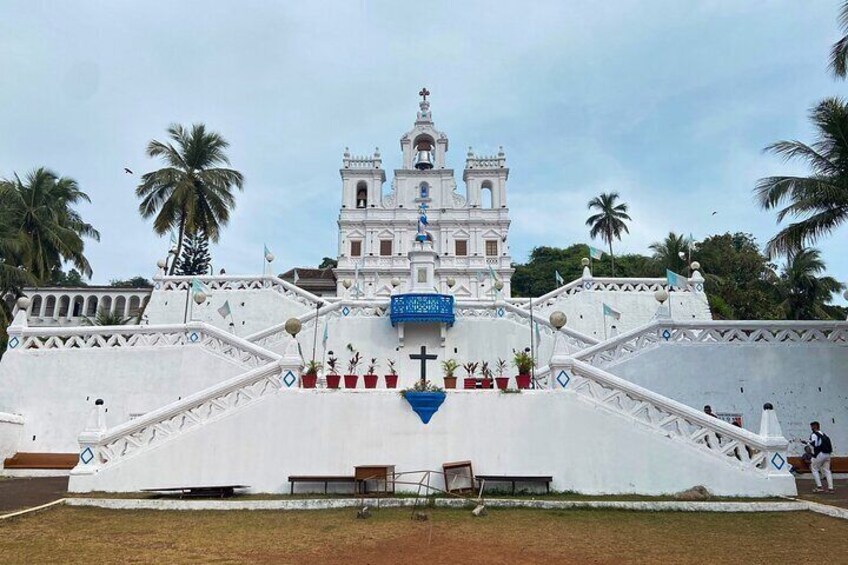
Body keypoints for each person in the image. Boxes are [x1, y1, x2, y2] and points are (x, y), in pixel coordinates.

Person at [803, 421, 834, 493]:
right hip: (828, 454)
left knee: (814, 468)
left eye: (812, 426)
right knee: (827, 470)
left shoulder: (814, 434)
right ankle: (830, 488)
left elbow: (815, 444)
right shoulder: (824, 434)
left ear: (814, 427)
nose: (811, 428)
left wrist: (806, 443)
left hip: (819, 454)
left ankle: (819, 487)